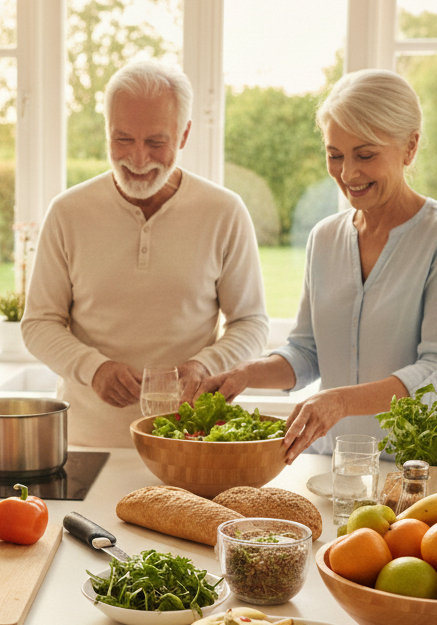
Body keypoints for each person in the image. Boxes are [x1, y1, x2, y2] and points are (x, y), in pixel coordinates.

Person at [203, 69, 437, 462]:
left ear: (410, 147)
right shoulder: (324, 238)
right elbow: (307, 352)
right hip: (330, 463)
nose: (348, 173)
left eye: (365, 155)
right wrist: (244, 374)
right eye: (335, 155)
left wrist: (340, 402)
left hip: (414, 468)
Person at [21, 60, 269, 448]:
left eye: (155, 142)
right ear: (106, 130)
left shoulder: (224, 211)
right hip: (86, 443)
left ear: (183, 135)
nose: (138, 159)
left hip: (189, 443)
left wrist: (205, 366)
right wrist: (94, 369)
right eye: (123, 139)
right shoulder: (68, 212)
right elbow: (38, 323)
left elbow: (251, 323)